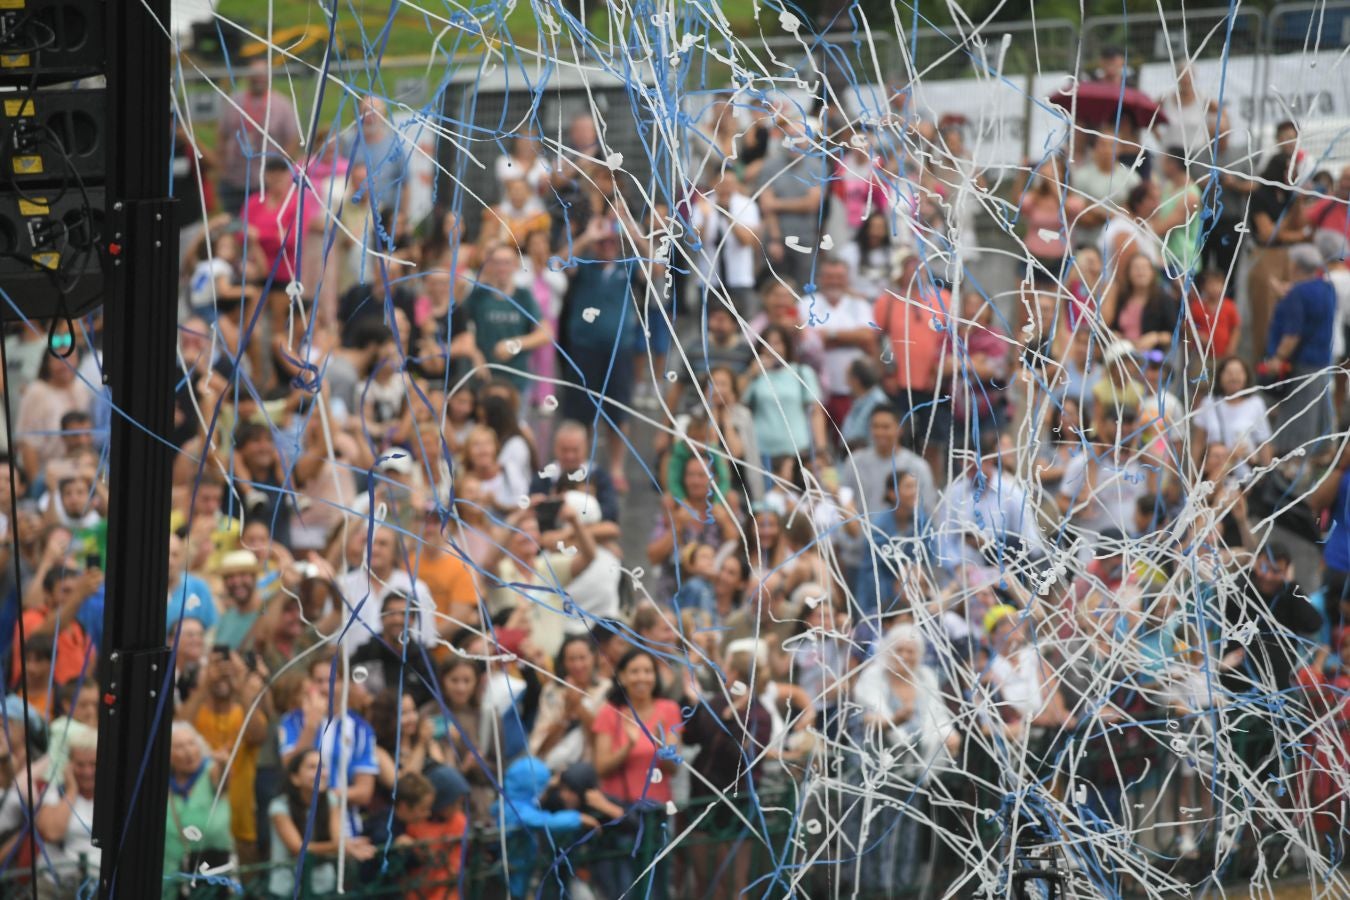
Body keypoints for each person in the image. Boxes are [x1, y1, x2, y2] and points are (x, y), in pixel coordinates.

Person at [178, 647, 271, 866]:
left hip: (240, 823)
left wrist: (240, 687)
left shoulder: (244, 713)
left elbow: (259, 735)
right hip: (195, 825)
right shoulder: (196, 712)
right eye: (215, 667)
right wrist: (205, 684)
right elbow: (178, 729)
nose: (223, 674)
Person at [267, 748, 375, 898]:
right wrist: (344, 846)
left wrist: (346, 845)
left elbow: (337, 838)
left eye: (322, 766)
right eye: (312, 767)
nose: (321, 773)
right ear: (295, 778)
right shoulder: (279, 807)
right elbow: (298, 848)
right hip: (287, 888)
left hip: (323, 886)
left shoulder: (331, 799)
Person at [1263, 243, 1336, 454]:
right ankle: (1322, 453)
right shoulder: (1326, 287)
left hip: (1302, 362)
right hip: (1321, 360)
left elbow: (1292, 335)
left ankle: (1293, 458)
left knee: (1299, 413)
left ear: (1295, 265)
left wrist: (1277, 357)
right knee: (1318, 410)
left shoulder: (1298, 294)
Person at [591, 649, 683, 807]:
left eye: (648, 671)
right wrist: (628, 747)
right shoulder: (609, 712)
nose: (642, 678)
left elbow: (674, 769)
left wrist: (660, 743)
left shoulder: (669, 709)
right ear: (622, 677)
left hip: (657, 808)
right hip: (620, 809)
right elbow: (601, 768)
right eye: (634, 672)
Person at [461, 245, 554, 395]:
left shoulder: (524, 297)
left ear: (515, 265)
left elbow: (546, 333)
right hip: (485, 379)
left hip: (516, 381)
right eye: (497, 263)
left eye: (506, 262)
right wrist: (475, 355)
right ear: (490, 265)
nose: (502, 268)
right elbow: (463, 328)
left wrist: (515, 344)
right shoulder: (478, 295)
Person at [215, 59, 301, 212]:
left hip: (265, 182)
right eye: (255, 75)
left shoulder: (282, 104)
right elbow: (222, 135)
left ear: (269, 78)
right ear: (248, 77)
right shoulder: (235, 101)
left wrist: (279, 168)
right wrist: (221, 165)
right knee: (233, 226)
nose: (259, 79)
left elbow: (292, 140)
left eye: (262, 75)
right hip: (234, 179)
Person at [798, 257, 876, 423]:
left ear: (847, 279)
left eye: (839, 277)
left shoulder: (858, 304)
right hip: (815, 388)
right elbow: (807, 342)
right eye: (829, 276)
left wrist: (829, 336)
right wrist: (852, 338)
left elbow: (868, 336)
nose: (834, 282)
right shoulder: (806, 304)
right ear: (820, 278)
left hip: (851, 389)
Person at [162, 722, 233, 900]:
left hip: (212, 864)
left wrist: (224, 763)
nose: (188, 751)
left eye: (192, 744)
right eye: (179, 746)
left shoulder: (210, 771)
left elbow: (224, 779)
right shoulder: (163, 781)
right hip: (172, 868)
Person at [35, 725, 99, 898]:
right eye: (80, 764)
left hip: (97, 888)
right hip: (55, 888)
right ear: (69, 764)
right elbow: (51, 832)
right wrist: (71, 790)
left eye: (94, 764)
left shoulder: (111, 797)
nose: (87, 772)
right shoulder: (54, 792)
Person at [843, 404, 937, 519]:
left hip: (903, 535)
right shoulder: (854, 462)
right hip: (862, 533)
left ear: (900, 429)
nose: (879, 432)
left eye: (886, 427)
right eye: (875, 427)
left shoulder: (917, 466)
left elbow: (928, 508)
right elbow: (845, 502)